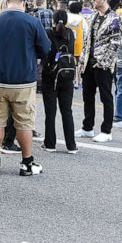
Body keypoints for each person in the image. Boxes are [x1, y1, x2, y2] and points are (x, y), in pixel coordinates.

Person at [0, 0, 49, 176]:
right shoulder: (32, 22)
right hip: (23, 81)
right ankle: (27, 163)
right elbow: (45, 48)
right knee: (24, 122)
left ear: (7, 1)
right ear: (24, 3)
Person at [78, 0, 120, 143]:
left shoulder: (114, 19)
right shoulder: (93, 17)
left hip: (102, 65)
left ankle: (106, 130)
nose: (93, 1)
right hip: (89, 62)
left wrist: (104, 62)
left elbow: (115, 44)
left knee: (106, 97)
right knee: (87, 96)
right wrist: (83, 60)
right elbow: (87, 40)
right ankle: (87, 127)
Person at [41, 10, 78, 152]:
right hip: (67, 76)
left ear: (53, 20)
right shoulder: (70, 33)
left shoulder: (48, 33)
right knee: (67, 111)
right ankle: (71, 145)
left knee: (50, 112)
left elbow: (44, 52)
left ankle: (50, 144)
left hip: (51, 76)